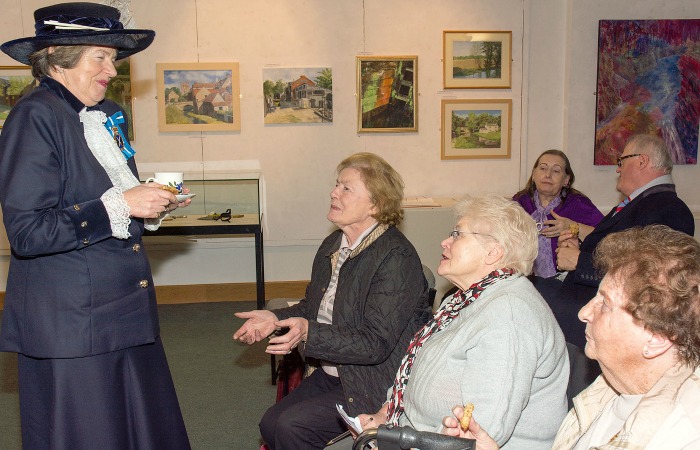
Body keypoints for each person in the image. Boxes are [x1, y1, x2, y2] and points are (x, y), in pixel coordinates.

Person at [0, 3, 191, 449]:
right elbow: (28, 233)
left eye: (114, 58)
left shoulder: (105, 114)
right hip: (73, 326)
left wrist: (149, 203)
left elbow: (110, 199)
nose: (113, 69)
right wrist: (122, 204)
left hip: (122, 312)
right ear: (60, 58)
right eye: (101, 57)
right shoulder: (35, 117)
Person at [233, 152, 432, 450]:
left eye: (346, 188)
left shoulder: (395, 257)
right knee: (271, 424)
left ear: (375, 204)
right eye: (337, 185)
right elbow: (312, 308)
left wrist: (309, 332)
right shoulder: (334, 244)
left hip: (374, 381)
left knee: (291, 427)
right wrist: (276, 319)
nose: (333, 192)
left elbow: (374, 344)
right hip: (334, 372)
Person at [443, 224, 700, 449]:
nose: (584, 312)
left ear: (656, 338)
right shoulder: (610, 390)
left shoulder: (680, 435)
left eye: (606, 304)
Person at [354, 194, 569, 450]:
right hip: (414, 435)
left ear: (493, 252)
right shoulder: (462, 300)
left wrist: (396, 442)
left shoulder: (509, 315)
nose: (445, 241)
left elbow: (483, 432)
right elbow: (413, 376)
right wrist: (384, 415)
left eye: (457, 234)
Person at [552, 134, 695, 397]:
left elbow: (649, 278)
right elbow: (618, 250)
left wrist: (578, 262)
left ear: (642, 161)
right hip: (583, 320)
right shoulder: (642, 203)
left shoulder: (669, 209)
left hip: (600, 329)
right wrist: (580, 245)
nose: (617, 168)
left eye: (622, 160)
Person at [512, 149, 603, 280]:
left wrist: (573, 227)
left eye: (556, 171)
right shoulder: (520, 201)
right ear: (533, 175)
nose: (548, 175)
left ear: (566, 180)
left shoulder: (577, 203)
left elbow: (606, 237)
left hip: (563, 280)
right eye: (543, 168)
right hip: (524, 278)